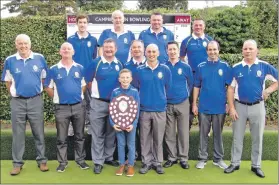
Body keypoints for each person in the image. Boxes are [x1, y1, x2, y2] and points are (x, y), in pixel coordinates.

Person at [224, 39, 278, 178]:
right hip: (239, 107)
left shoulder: (264, 66)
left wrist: (268, 91)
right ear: (242, 51)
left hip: (258, 107)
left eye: (250, 49)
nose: (247, 51)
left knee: (257, 137)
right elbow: (230, 89)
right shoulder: (236, 67)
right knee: (237, 137)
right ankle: (235, 163)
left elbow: (277, 80)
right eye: (245, 49)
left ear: (256, 50)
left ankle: (256, 165)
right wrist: (231, 108)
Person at [1, 34, 49, 175]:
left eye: (25, 43)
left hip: (35, 100)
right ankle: (17, 164)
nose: (23, 46)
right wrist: (14, 94)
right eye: (20, 43)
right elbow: (7, 81)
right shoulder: (10, 60)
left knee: (39, 132)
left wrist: (35, 92)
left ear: (30, 44)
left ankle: (42, 161)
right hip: (18, 102)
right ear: (16, 45)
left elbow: (44, 78)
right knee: (18, 134)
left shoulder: (39, 58)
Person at [44, 42, 89, 172]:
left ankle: (80, 160)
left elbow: (84, 85)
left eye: (69, 48)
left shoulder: (80, 68)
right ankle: (62, 162)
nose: (66, 50)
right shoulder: (53, 69)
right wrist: (57, 98)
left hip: (78, 107)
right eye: (64, 49)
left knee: (79, 136)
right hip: (61, 108)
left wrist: (78, 96)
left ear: (73, 52)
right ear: (60, 52)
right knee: (61, 138)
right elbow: (47, 86)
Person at [192, 41, 232, 170]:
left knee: (218, 134)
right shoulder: (201, 66)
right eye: (210, 50)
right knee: (203, 134)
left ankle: (218, 159)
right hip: (204, 107)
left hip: (220, 107)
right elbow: (196, 86)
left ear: (218, 50)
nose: (212, 52)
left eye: (214, 49)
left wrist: (228, 104)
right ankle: (202, 159)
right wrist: (194, 103)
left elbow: (230, 87)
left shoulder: (225, 66)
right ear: (207, 51)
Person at [86, 38, 123, 174]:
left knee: (111, 132)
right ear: (102, 49)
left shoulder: (119, 64)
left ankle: (108, 157)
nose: (108, 50)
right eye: (106, 47)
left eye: (111, 48)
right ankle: (98, 161)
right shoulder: (95, 63)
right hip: (98, 103)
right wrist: (96, 95)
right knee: (97, 133)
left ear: (116, 49)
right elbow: (88, 81)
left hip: (114, 103)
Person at [135, 44, 172, 174]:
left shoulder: (165, 69)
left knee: (158, 137)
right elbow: (136, 88)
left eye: (153, 51)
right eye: (149, 51)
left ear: (158, 53)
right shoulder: (139, 70)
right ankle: (146, 162)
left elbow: (167, 87)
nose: (151, 54)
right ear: (145, 53)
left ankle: (157, 162)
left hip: (160, 109)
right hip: (144, 109)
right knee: (144, 138)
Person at [163, 41, 193, 169]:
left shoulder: (186, 67)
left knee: (183, 132)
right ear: (167, 51)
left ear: (178, 50)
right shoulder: (163, 66)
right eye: (170, 49)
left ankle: (183, 158)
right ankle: (171, 157)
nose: (172, 52)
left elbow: (191, 84)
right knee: (169, 133)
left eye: (174, 49)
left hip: (182, 103)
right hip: (167, 104)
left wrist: (184, 96)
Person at [67, 14, 98, 136]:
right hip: (75, 77)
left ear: (87, 24)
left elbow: (94, 58)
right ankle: (72, 127)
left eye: (85, 22)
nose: (82, 25)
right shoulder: (70, 39)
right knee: (74, 102)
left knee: (90, 102)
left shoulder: (93, 40)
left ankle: (89, 126)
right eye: (80, 22)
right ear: (77, 24)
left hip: (89, 77)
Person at [180, 18, 213, 130]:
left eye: (200, 25)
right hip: (192, 78)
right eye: (196, 25)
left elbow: (214, 56)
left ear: (204, 27)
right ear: (192, 27)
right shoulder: (186, 41)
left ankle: (205, 133)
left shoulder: (209, 40)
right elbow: (181, 57)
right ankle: (186, 132)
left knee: (205, 104)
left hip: (206, 78)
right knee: (190, 105)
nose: (198, 27)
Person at [110, 69, 140, 177]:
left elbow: (137, 110)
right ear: (119, 79)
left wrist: (133, 124)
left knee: (131, 145)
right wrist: (113, 124)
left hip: (131, 125)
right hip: (118, 125)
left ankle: (130, 165)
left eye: (127, 77)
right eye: (123, 77)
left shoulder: (135, 92)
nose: (125, 79)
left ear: (131, 79)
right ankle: (122, 165)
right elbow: (112, 110)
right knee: (121, 145)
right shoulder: (115, 92)